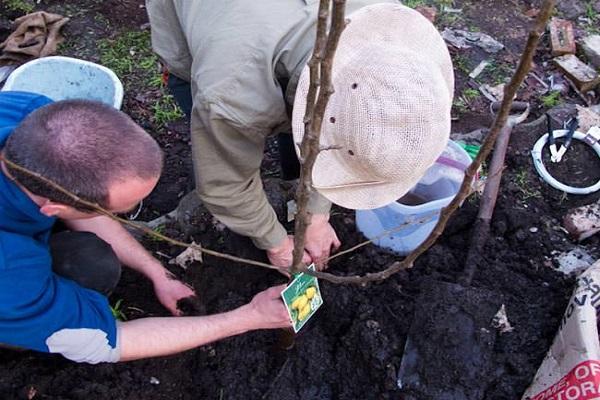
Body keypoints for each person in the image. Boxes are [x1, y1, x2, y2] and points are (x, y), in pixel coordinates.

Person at [146, 1, 454, 269]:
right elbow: (225, 185)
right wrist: (277, 243)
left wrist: (317, 216)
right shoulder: (228, 93)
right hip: (216, 30)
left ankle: (294, 183)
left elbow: (336, 123)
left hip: (267, 48)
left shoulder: (387, 26)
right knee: (219, 135)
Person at [0, 91, 292, 364]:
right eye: (121, 210)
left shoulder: (35, 118)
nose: (128, 213)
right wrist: (249, 317)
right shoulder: (11, 272)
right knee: (88, 270)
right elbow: (107, 342)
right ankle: (20, 333)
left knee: (88, 257)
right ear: (54, 208)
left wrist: (157, 272)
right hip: (11, 285)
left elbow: (80, 205)